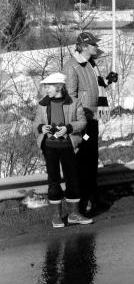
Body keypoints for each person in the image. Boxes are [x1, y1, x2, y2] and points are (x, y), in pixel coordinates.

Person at [63, 31, 118, 215]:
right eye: (93, 44)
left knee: (92, 158)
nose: (96, 46)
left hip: (92, 120)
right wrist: (77, 122)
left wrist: (107, 81)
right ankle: (82, 201)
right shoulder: (72, 66)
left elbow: (95, 89)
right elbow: (70, 98)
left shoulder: (90, 65)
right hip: (82, 123)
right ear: (84, 46)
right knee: (83, 158)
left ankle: (92, 195)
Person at [33, 72, 91, 227]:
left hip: (68, 146)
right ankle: (56, 216)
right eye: (45, 86)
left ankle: (74, 214)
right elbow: (35, 124)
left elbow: (82, 122)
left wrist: (68, 128)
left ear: (59, 86)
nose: (46, 89)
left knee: (72, 180)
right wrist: (41, 127)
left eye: (49, 86)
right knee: (54, 181)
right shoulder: (42, 104)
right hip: (49, 147)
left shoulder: (74, 102)